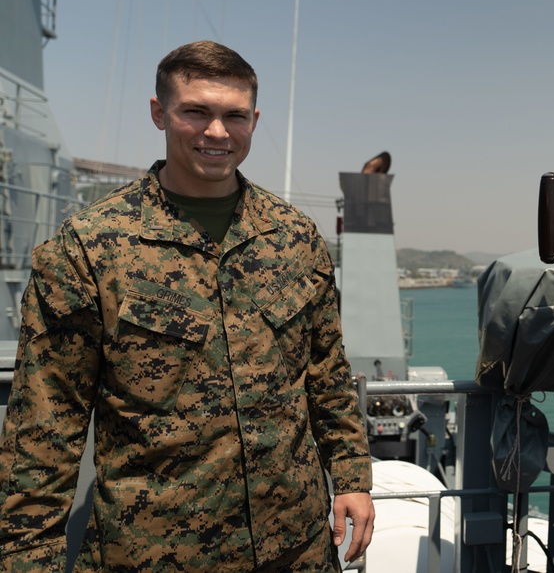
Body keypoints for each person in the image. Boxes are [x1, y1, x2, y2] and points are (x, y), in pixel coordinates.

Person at [0, 40, 374, 572]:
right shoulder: (90, 246)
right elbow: (44, 425)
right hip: (153, 555)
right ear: (159, 113)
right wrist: (25, 560)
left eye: (234, 116)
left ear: (253, 119)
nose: (217, 132)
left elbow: (327, 373)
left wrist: (353, 476)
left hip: (294, 546)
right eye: (195, 111)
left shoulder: (292, 237)